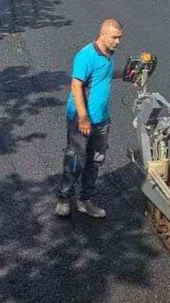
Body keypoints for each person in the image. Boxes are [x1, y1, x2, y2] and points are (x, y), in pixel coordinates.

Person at [55, 19, 123, 219]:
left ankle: (85, 200)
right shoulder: (86, 55)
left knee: (95, 160)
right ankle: (64, 198)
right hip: (82, 119)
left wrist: (127, 74)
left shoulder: (109, 55)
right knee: (75, 159)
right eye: (114, 38)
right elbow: (76, 86)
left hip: (102, 119)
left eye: (120, 38)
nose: (118, 42)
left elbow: (106, 75)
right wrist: (83, 118)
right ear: (102, 34)